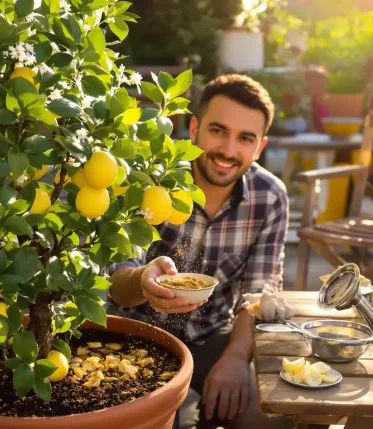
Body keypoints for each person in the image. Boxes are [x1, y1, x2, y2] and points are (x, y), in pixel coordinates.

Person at [105, 74, 290, 429]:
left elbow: (260, 289)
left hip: (213, 337)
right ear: (194, 129)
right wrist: (144, 281)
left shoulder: (270, 197)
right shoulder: (149, 179)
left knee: (270, 418)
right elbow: (116, 280)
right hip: (134, 333)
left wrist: (237, 359)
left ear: (259, 147)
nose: (228, 150)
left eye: (245, 139)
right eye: (218, 131)